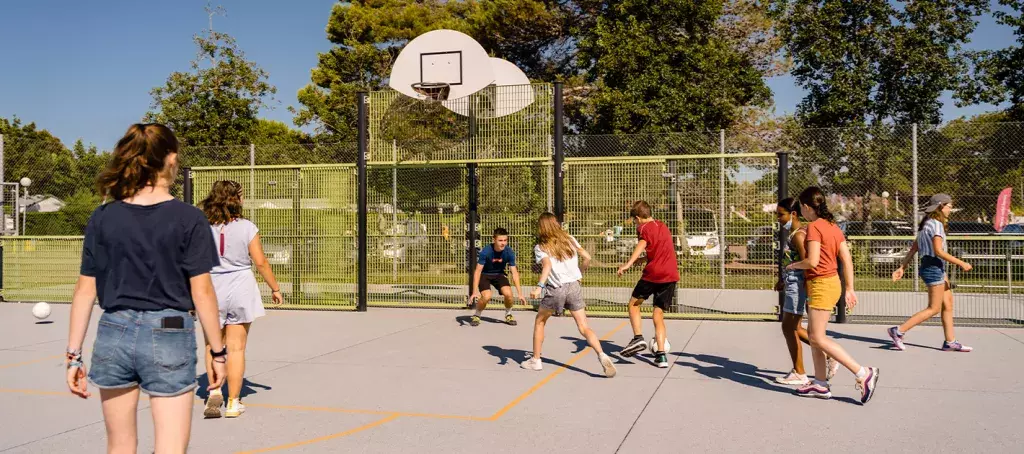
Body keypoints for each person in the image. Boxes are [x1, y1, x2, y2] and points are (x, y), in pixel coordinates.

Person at [64, 123, 227, 453]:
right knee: (170, 447)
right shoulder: (189, 219)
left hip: (114, 329)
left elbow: (84, 290)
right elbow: (203, 292)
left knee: (120, 446)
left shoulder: (103, 217)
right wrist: (219, 352)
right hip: (169, 328)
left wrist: (73, 356)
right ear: (171, 158)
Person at [199, 180, 284, 419]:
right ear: (235, 199)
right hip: (240, 287)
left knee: (212, 346)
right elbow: (260, 262)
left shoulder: (203, 228)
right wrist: (275, 288)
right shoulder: (247, 227)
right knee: (236, 348)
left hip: (212, 287)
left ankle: (214, 390)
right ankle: (233, 403)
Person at [786, 187, 879, 404]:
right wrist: (849, 288)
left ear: (808, 207)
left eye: (801, 207)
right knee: (814, 333)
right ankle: (820, 383)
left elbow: (812, 261)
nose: (801, 211)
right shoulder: (833, 227)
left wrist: (793, 266)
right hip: (833, 284)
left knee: (817, 337)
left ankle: (863, 373)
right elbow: (846, 259)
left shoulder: (814, 228)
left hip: (821, 284)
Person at [520, 213, 617, 378]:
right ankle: (602, 354)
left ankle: (536, 360)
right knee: (584, 327)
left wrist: (539, 287)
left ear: (542, 227)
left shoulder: (541, 247)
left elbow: (547, 266)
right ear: (556, 224)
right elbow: (587, 257)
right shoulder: (569, 239)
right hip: (574, 287)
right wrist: (580, 274)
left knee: (540, 322)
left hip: (556, 288)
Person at [888, 193, 973, 352]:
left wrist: (902, 267)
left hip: (934, 267)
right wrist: (962, 263)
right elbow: (939, 251)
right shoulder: (935, 225)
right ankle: (898, 332)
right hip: (934, 267)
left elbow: (915, 247)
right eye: (949, 206)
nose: (950, 209)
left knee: (947, 304)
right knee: (933, 308)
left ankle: (950, 341)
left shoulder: (926, 224)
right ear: (941, 206)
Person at [617, 200, 679, 368]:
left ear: (638, 217)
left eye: (635, 220)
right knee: (658, 315)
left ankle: (638, 338)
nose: (636, 224)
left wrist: (628, 264)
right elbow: (660, 250)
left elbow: (642, 244)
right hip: (671, 275)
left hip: (654, 275)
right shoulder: (662, 226)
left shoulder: (643, 228)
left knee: (633, 304)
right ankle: (661, 356)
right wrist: (644, 259)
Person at [774, 198, 813, 385]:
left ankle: (801, 371)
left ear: (794, 214)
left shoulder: (799, 235)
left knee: (789, 327)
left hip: (798, 286)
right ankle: (825, 357)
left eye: (781, 214)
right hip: (791, 284)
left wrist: (807, 290)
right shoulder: (793, 234)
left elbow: (808, 264)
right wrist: (782, 279)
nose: (778, 218)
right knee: (792, 328)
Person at [469, 227, 527, 326]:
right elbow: (478, 271)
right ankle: (477, 315)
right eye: (500, 240)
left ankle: (508, 314)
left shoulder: (509, 252)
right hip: (485, 274)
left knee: (509, 294)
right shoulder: (486, 252)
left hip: (499, 274)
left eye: (505, 240)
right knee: (487, 296)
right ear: (494, 239)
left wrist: (520, 293)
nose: (503, 243)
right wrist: (474, 291)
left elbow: (514, 272)